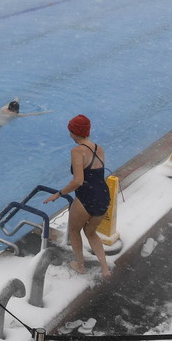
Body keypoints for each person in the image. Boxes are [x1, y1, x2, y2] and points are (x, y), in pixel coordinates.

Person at [43, 114, 112, 279]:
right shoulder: (98, 147)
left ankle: (80, 265)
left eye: (70, 131)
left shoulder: (77, 151)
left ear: (74, 132)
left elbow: (78, 181)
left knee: (74, 230)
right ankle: (105, 269)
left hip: (86, 198)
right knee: (91, 232)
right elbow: (95, 174)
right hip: (103, 195)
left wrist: (58, 194)